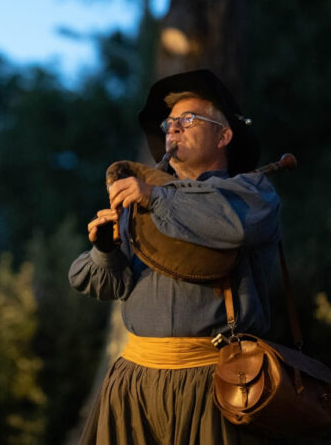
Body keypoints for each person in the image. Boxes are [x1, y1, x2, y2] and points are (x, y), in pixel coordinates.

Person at [69, 69, 280, 444]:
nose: (173, 128)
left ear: (224, 135)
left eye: (188, 119)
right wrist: (106, 249)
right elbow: (101, 284)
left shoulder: (251, 194)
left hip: (216, 382)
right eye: (170, 122)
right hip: (134, 385)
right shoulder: (144, 205)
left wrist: (154, 196)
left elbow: (232, 226)